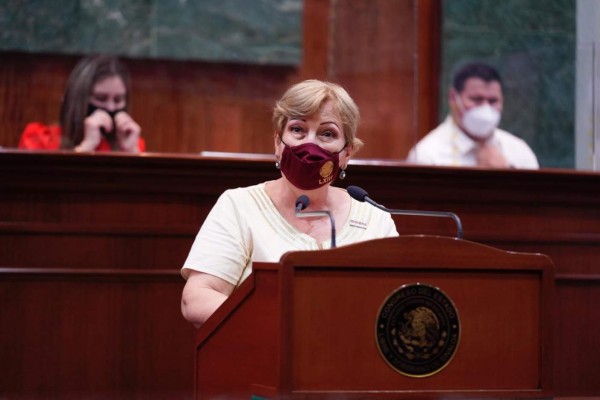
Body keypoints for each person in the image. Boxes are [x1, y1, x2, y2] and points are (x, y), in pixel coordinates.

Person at [180, 79, 399, 328]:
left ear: (346, 154)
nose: (310, 144)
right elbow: (196, 298)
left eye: (327, 134)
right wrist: (280, 324)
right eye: (298, 130)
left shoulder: (375, 219)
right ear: (277, 143)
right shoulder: (239, 205)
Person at [406, 61, 538, 169]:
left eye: (493, 101)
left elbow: (537, 199)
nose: (486, 108)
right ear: (453, 98)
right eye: (476, 99)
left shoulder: (519, 151)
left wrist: (508, 172)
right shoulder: (428, 155)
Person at [18, 54, 145, 153]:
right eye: (101, 98)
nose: (111, 107)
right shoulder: (39, 140)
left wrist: (132, 152)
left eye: (118, 100)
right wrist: (86, 147)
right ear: (79, 99)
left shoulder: (132, 143)